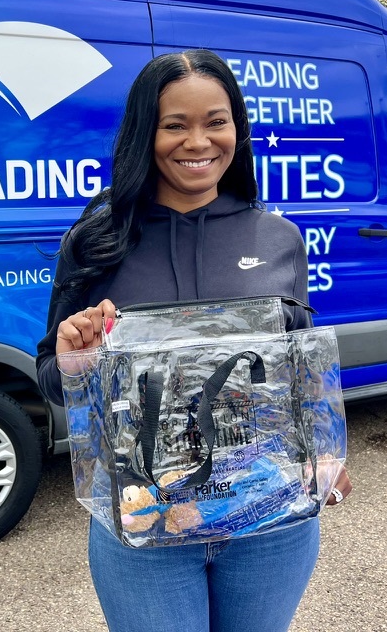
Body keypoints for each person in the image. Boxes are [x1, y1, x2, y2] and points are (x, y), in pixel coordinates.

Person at [36, 49, 352, 632]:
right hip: (144, 521)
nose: (198, 141)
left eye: (216, 121)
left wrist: (324, 449)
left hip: (271, 518)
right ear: (144, 134)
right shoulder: (96, 240)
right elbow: (55, 381)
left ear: (237, 128)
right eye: (174, 125)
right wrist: (73, 357)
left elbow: (298, 368)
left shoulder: (279, 238)